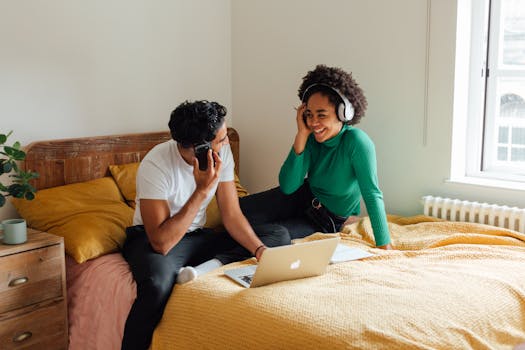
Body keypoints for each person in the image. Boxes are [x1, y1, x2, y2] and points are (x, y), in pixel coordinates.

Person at [121, 100, 291, 350]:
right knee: (156, 286)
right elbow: (161, 242)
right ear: (199, 148)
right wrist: (201, 190)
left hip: (198, 236)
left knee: (276, 235)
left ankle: (201, 271)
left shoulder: (222, 153)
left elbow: (231, 214)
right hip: (154, 240)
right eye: (221, 140)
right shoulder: (156, 164)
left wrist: (259, 250)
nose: (226, 144)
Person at [240, 64, 393, 249]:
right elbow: (288, 187)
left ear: (343, 113)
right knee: (236, 211)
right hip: (301, 197)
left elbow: (372, 194)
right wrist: (302, 135)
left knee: (270, 236)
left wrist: (385, 245)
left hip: (324, 221)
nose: (313, 122)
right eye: (309, 114)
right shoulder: (310, 138)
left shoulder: (357, 143)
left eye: (321, 115)